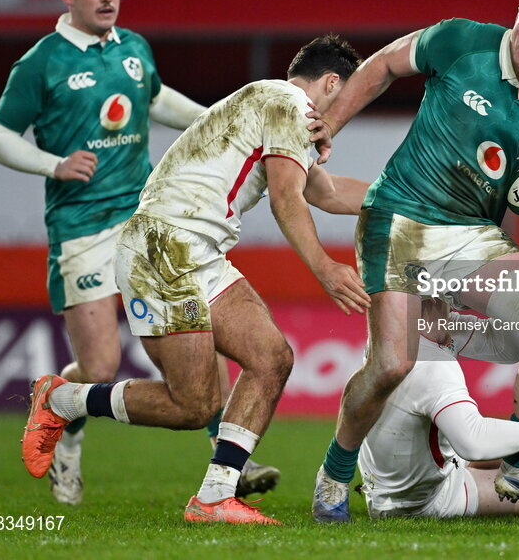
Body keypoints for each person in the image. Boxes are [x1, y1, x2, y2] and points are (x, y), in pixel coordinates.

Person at [19, 35, 371, 525]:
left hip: (193, 251)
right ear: (332, 83)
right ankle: (62, 398)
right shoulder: (290, 104)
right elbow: (286, 198)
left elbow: (327, 193)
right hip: (165, 249)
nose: (349, 109)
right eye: (351, 95)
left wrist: (404, 197)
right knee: (193, 405)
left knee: (271, 358)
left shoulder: (267, 102)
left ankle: (214, 497)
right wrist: (326, 267)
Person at [0, 0, 279, 506]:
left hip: (148, 221)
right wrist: (55, 164)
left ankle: (228, 464)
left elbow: (155, 99)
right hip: (82, 228)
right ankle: (64, 429)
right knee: (99, 364)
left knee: (204, 337)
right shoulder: (41, 62)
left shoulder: (133, 49)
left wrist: (222, 120)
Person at [307, 0, 519, 522]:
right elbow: (386, 64)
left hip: (469, 232)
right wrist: (329, 128)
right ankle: (334, 475)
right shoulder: (462, 40)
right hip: (401, 216)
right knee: (392, 366)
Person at [359, 300, 519, 519]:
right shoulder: (433, 364)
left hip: (391, 484)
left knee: (466, 446)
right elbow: (474, 442)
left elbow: (516, 345)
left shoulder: (402, 335)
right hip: (422, 502)